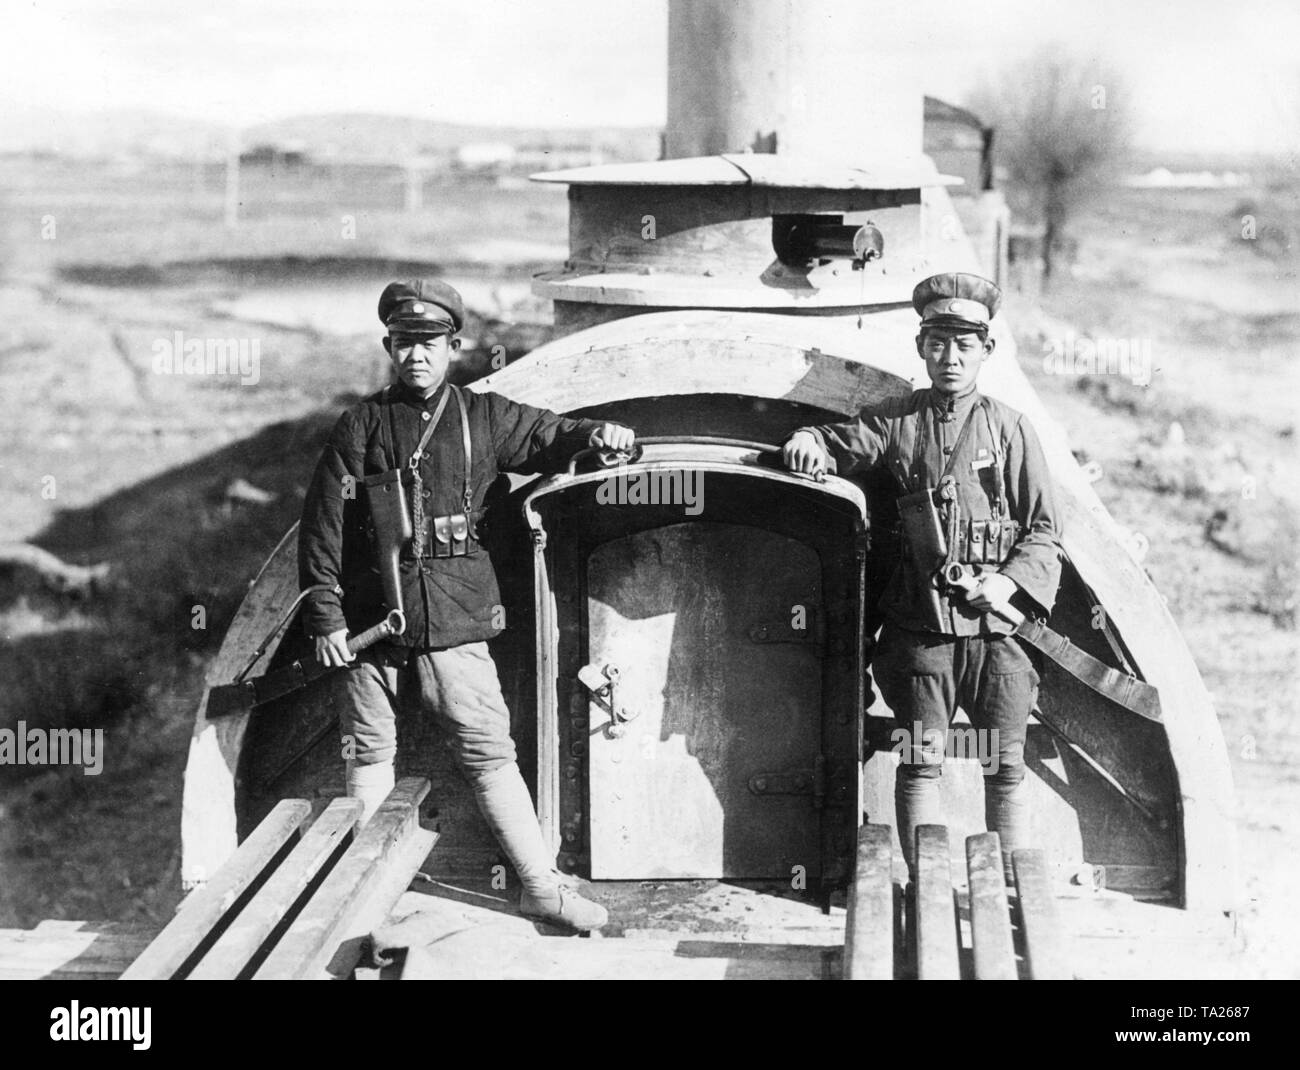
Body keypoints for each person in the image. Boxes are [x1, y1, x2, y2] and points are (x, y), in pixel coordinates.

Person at [299, 278, 634, 931]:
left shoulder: (483, 417)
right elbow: (322, 533)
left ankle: (538, 887)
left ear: (455, 346)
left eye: (429, 343)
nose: (415, 356)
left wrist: (603, 434)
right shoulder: (360, 426)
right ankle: (361, 900)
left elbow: (549, 435)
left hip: (454, 620)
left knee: (489, 752)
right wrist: (325, 620)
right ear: (388, 347)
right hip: (372, 622)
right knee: (368, 751)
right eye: (403, 344)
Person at [781, 272, 1063, 882]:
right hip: (922, 633)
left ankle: (1012, 894)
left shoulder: (1012, 430)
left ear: (987, 350)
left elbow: (1045, 531)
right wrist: (809, 439)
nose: (951, 357)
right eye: (938, 343)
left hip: (998, 638)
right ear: (921, 348)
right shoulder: (896, 420)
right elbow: (839, 442)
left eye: (965, 344)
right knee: (921, 764)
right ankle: (926, 888)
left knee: (1005, 768)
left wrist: (1006, 584)